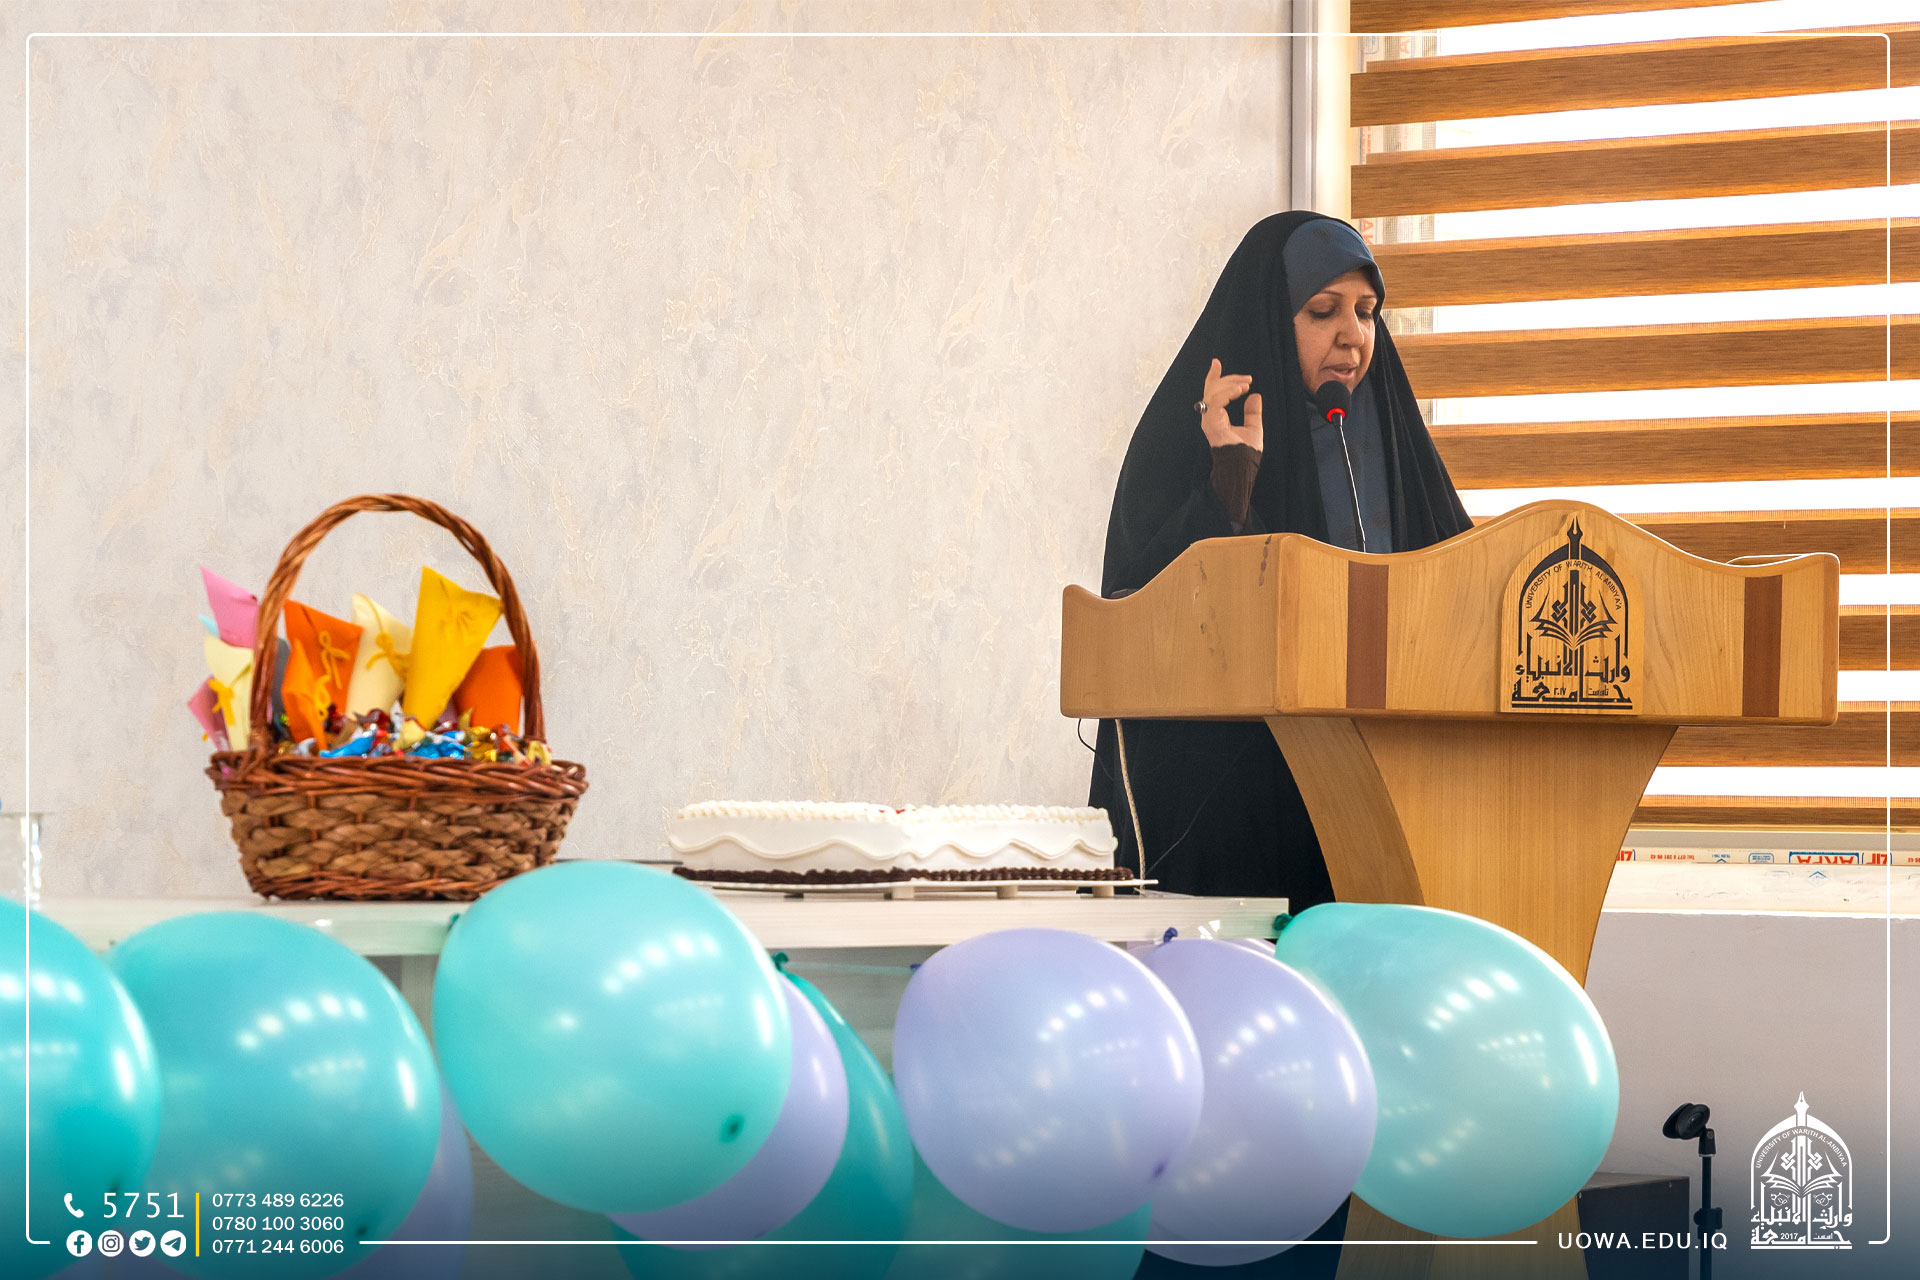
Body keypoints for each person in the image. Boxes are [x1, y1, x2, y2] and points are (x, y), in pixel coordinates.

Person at [1088, 211, 1472, 906]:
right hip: (1236, 805)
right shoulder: (1185, 445)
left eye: (1367, 312)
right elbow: (1141, 610)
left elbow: (1465, 586)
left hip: (1384, 798)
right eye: (1323, 311)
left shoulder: (1389, 440)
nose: (1353, 335)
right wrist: (1229, 486)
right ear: (1268, 317)